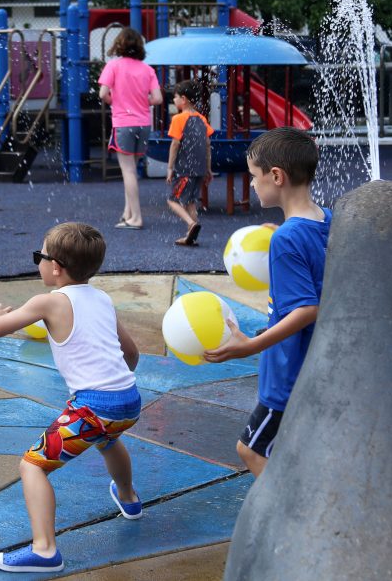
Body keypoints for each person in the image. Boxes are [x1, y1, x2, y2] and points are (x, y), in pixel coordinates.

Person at [0, 222, 142, 573]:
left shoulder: (49, 302)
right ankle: (129, 498)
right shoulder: (102, 298)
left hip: (93, 405)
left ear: (55, 266)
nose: (38, 262)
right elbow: (130, 352)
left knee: (32, 466)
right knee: (108, 438)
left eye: (39, 256)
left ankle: (44, 550)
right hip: (128, 400)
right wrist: (118, 381)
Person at [203, 128, 331, 477]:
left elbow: (307, 309)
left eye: (255, 178)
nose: (253, 185)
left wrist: (251, 346)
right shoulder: (327, 220)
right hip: (316, 368)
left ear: (277, 176)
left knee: (251, 451)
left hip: (289, 373)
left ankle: (291, 524)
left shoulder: (288, 238)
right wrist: (286, 231)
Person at [98, 27, 163, 230]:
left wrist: (114, 100)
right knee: (133, 170)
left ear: (119, 45)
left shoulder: (114, 66)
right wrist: (144, 102)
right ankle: (128, 213)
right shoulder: (147, 69)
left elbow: (102, 94)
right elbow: (158, 99)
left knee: (128, 171)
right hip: (143, 123)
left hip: (123, 123)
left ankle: (136, 217)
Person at [166, 79, 214, 246]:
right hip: (200, 169)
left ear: (184, 99)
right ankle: (190, 236)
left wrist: (170, 168)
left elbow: (175, 144)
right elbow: (207, 145)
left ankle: (191, 223)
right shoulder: (201, 118)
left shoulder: (179, 119)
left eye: (176, 97)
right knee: (190, 201)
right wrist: (208, 169)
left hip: (185, 169)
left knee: (172, 200)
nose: (174, 100)